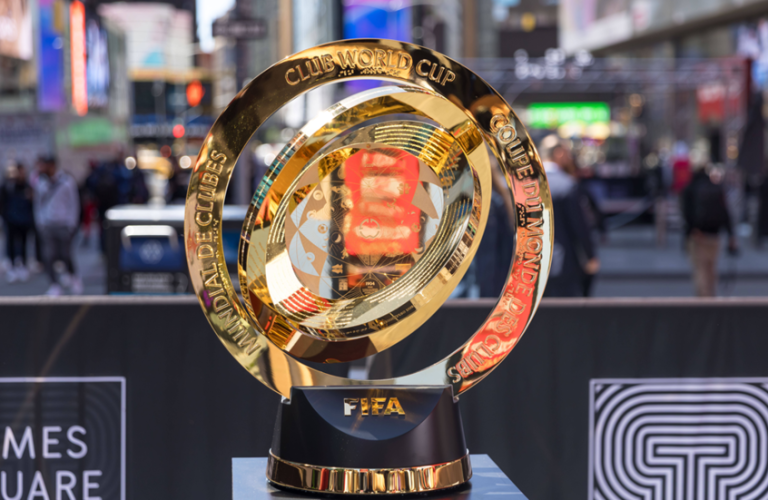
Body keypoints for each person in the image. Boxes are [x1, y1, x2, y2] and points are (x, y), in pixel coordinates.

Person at [540, 135, 599, 297]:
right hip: (562, 264)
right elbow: (579, 226)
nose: (569, 157)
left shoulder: (524, 185)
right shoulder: (566, 185)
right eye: (567, 152)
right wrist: (590, 256)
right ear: (558, 153)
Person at [681, 160, 737, 297]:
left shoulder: (689, 189)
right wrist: (731, 235)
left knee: (700, 269)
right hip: (715, 234)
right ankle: (711, 298)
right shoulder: (716, 189)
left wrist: (692, 230)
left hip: (697, 235)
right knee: (712, 268)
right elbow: (726, 213)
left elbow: (686, 214)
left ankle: (704, 301)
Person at [32, 156, 82, 295]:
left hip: (64, 224)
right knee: (49, 256)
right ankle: (54, 285)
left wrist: (72, 223)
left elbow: (74, 203)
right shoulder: (41, 182)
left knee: (65, 254)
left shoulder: (67, 181)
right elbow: (38, 204)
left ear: (52, 166)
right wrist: (40, 222)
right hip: (47, 224)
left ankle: (73, 277)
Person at [0, 162, 35, 283]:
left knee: (24, 243)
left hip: (24, 220)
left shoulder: (28, 186)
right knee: (10, 243)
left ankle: (22, 265)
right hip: (11, 220)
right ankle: (12, 267)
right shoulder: (8, 186)